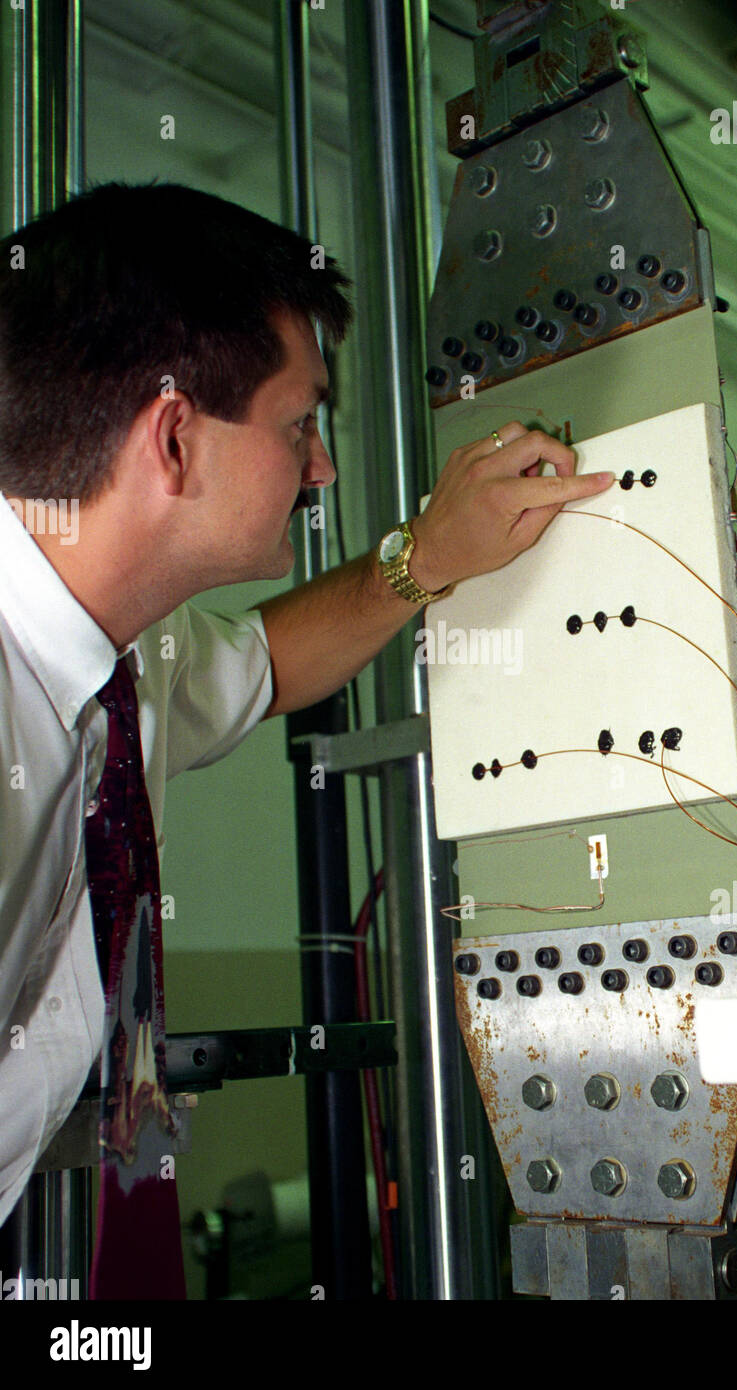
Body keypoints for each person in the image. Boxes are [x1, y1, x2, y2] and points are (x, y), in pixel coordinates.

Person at [0, 181, 614, 1282]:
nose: (321, 466)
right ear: (176, 439)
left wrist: (426, 556)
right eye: (299, 423)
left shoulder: (120, 654)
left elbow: (272, 662)